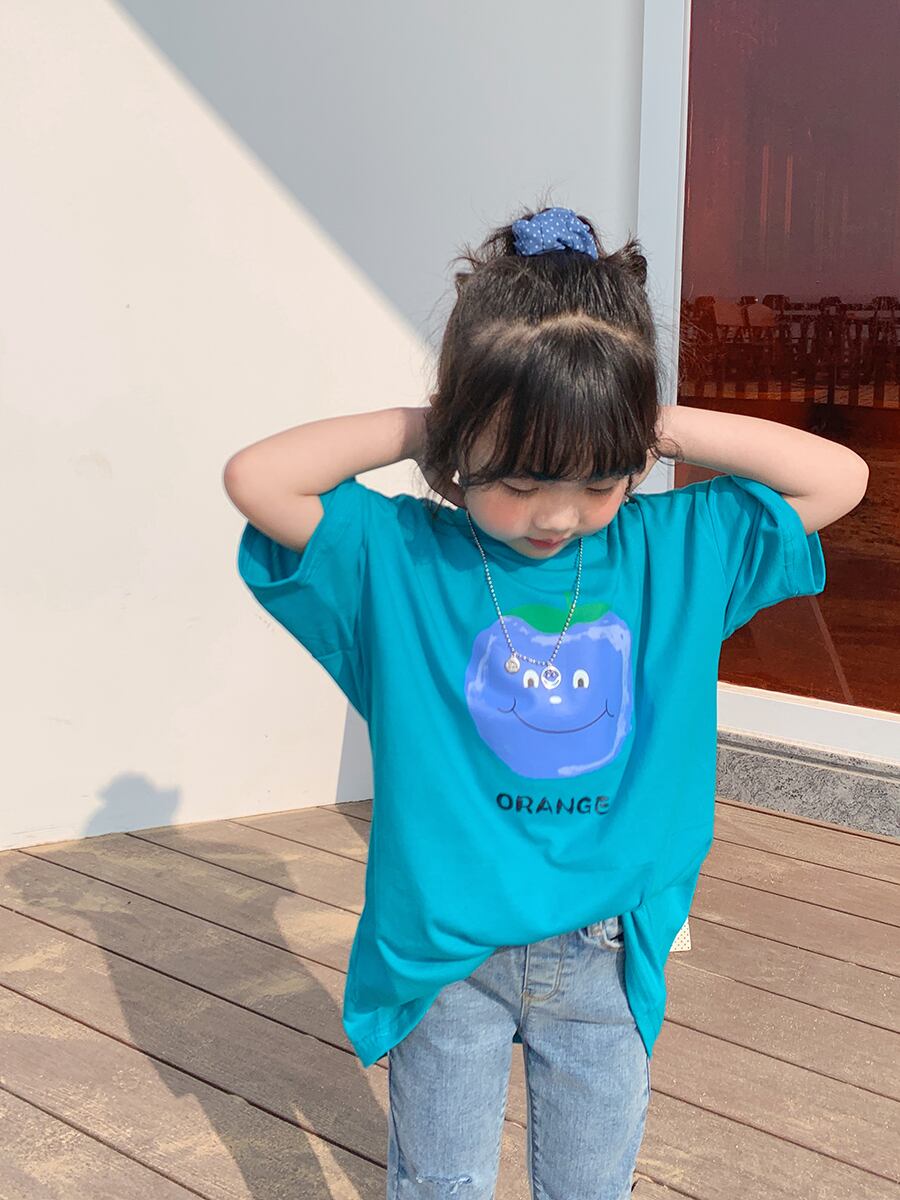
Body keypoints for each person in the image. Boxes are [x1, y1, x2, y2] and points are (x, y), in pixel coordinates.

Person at [223, 204, 868, 1198]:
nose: (559, 514)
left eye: (601, 479)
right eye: (520, 479)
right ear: (462, 447)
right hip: (450, 954)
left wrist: (638, 416)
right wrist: (445, 418)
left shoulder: (671, 551)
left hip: (607, 949)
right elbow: (258, 478)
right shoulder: (403, 556)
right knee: (439, 1185)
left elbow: (839, 478)